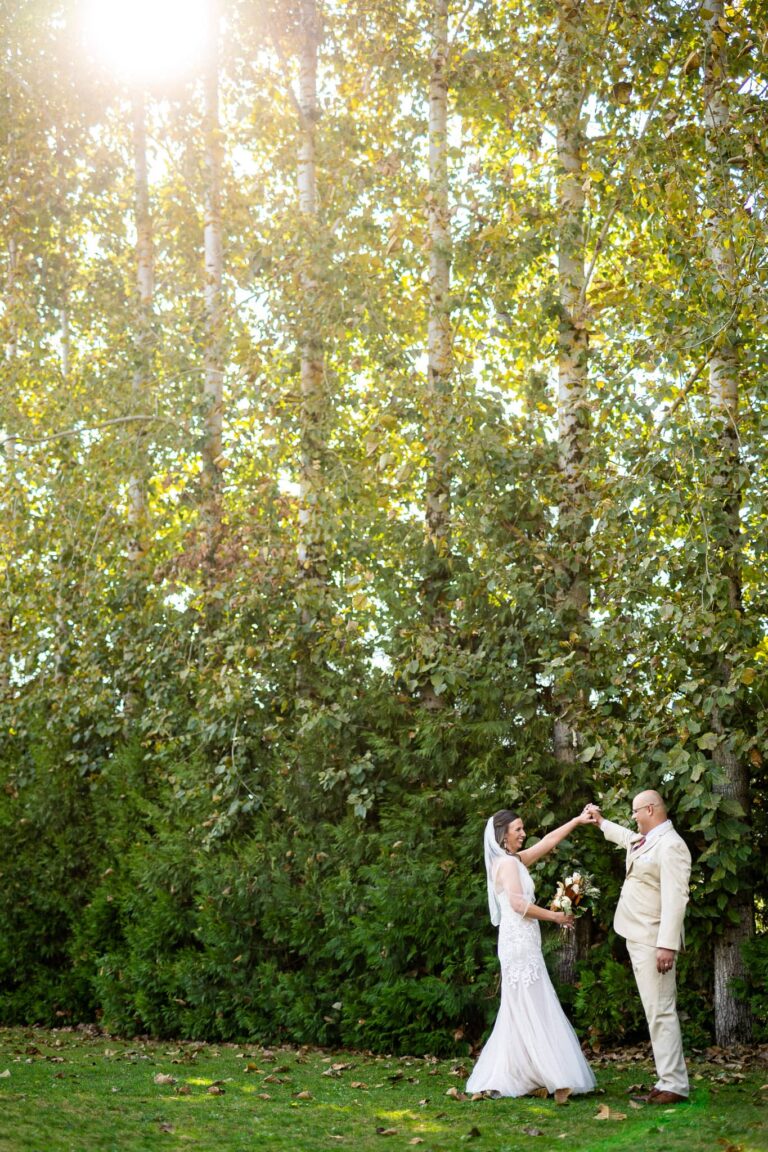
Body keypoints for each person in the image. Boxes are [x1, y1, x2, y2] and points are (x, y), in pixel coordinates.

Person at [466, 807, 596, 1099]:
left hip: (520, 942)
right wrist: (556, 917)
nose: (524, 834)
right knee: (535, 1003)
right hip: (519, 945)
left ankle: (525, 1071)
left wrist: (575, 821)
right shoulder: (508, 865)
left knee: (523, 1006)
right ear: (503, 834)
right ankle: (548, 1073)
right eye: (518, 829)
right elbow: (517, 905)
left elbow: (548, 842)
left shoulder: (511, 861)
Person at [586, 790, 691, 1105]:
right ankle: (667, 1079)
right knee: (653, 1009)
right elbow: (627, 838)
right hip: (637, 934)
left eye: (635, 811)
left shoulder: (671, 846)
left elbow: (676, 898)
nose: (632, 817)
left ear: (650, 809)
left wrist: (667, 946)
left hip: (654, 940)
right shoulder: (647, 840)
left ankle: (674, 1084)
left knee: (660, 1010)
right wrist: (601, 822)